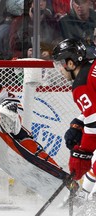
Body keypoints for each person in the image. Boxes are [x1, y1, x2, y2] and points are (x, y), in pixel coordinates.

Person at [52, 38, 96, 182]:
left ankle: (88, 200)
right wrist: (80, 120)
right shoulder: (91, 67)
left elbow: (94, 122)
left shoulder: (81, 84)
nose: (60, 68)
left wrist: (83, 152)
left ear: (71, 63)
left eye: (61, 63)